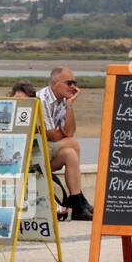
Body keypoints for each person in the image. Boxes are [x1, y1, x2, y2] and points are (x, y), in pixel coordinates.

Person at [35, 67, 93, 220]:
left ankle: (77, 203)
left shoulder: (62, 101)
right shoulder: (42, 99)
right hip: (35, 152)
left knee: (70, 154)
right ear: (54, 83)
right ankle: (79, 201)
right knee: (73, 144)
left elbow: (70, 130)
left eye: (75, 83)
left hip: (49, 150)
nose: (74, 87)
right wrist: (61, 133)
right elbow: (53, 135)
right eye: (69, 83)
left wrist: (70, 105)